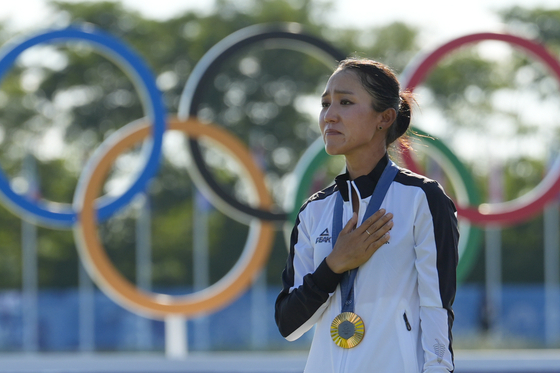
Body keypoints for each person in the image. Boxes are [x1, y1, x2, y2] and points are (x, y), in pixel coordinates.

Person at [275, 58, 459, 373]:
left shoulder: (423, 199)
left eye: (345, 102)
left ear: (384, 118)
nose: (329, 115)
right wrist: (334, 265)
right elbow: (288, 324)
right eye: (325, 103)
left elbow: (436, 308)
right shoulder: (313, 211)